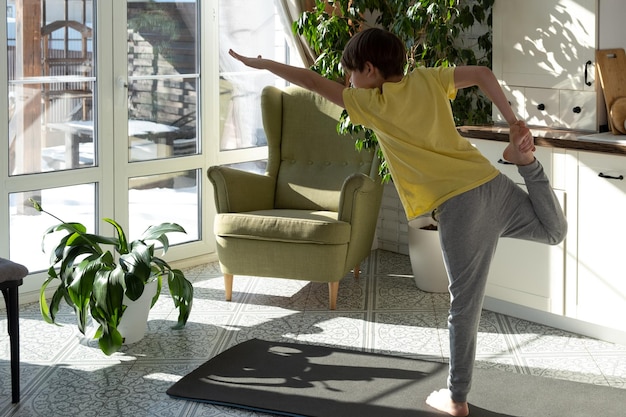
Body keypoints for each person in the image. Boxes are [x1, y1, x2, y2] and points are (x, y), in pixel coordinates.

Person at [229, 27, 567, 417]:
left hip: (458, 207)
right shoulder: (427, 78)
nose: (348, 81)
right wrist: (512, 121)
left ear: (370, 69)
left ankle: (456, 398)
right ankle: (526, 163)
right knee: (553, 231)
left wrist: (263, 63)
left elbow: (309, 80)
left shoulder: (370, 103)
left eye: (351, 72)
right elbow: (483, 74)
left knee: (465, 306)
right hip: (489, 182)